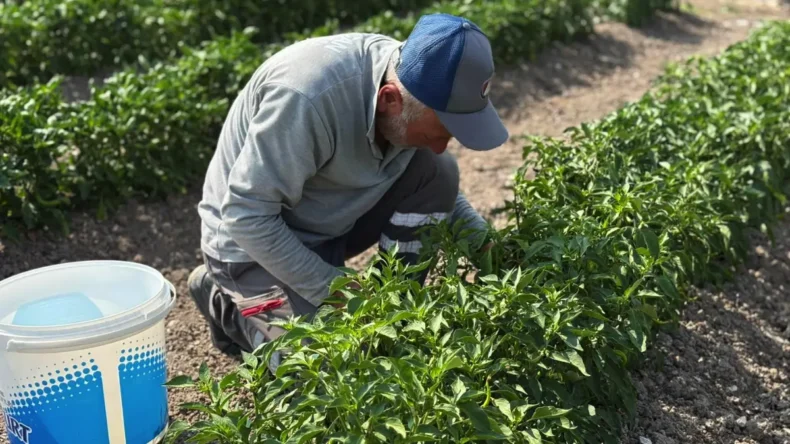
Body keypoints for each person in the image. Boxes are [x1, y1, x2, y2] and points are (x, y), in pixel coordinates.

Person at [187, 13, 509, 361]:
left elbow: (437, 183)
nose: (441, 145)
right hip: (250, 247)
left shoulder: (407, 80)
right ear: (390, 99)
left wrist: (489, 248)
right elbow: (246, 215)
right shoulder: (304, 98)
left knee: (440, 170)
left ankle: (396, 308)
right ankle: (224, 300)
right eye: (437, 133)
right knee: (324, 368)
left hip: (326, 226)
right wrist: (338, 291)